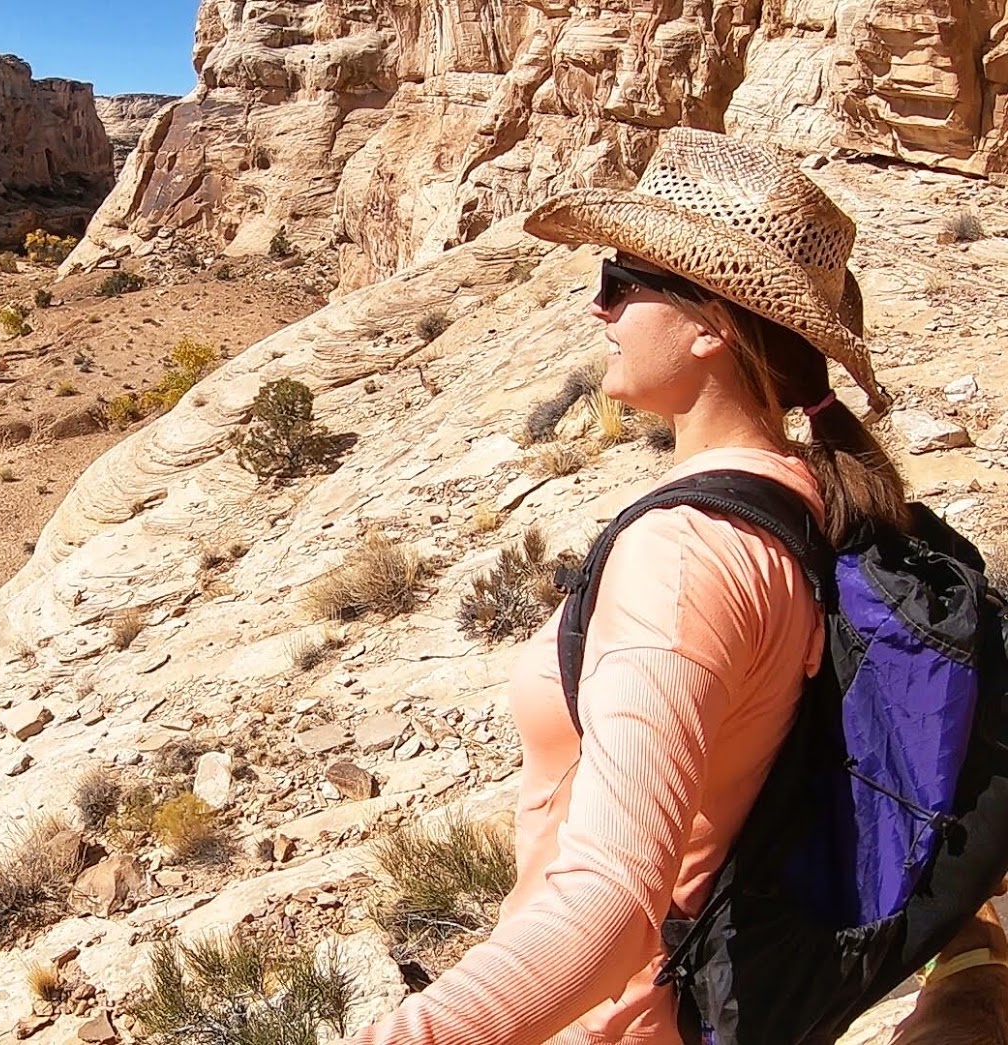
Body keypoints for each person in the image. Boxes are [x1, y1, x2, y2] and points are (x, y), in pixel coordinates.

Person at [341, 127, 912, 1045]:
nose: (597, 308)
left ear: (709, 324)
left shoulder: (685, 557)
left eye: (619, 282)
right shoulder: (805, 492)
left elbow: (609, 904)